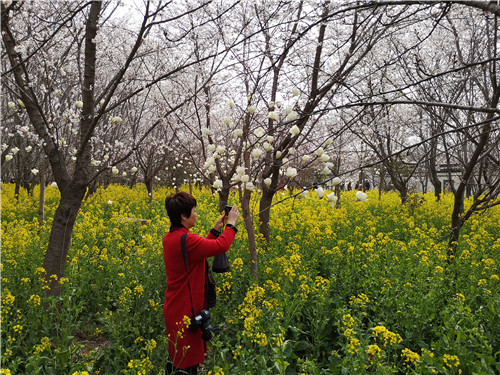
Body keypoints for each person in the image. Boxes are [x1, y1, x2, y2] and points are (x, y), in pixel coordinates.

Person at [163, 192, 239, 374]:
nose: (197, 214)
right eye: (194, 211)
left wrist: (214, 230)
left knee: (179, 359)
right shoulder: (186, 239)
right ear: (183, 215)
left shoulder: (173, 237)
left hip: (176, 306)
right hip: (185, 310)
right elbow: (221, 246)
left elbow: (199, 249)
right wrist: (231, 225)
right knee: (186, 362)